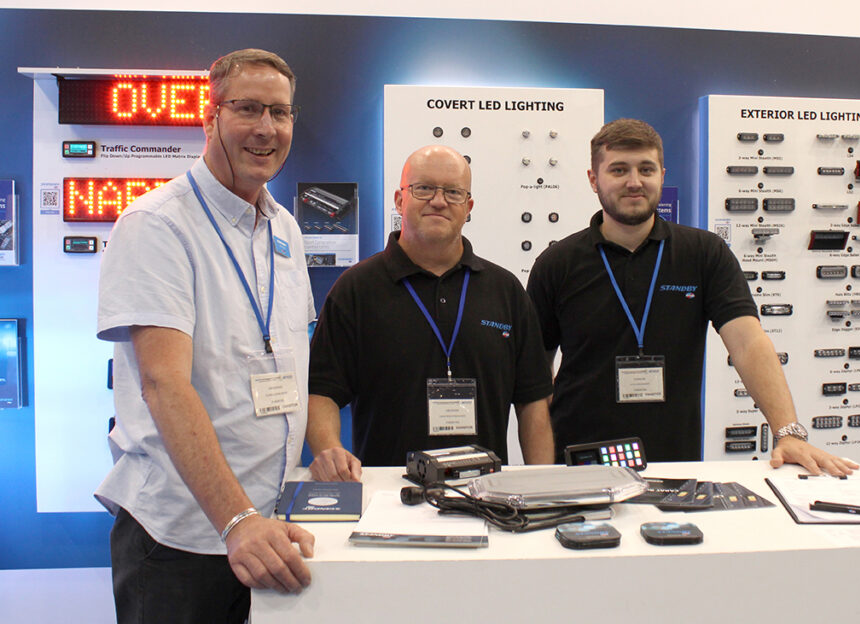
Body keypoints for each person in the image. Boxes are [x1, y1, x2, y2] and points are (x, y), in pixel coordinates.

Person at [95, 49, 316, 623]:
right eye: (247, 109)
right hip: (187, 537)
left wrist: (259, 517)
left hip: (265, 529)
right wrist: (236, 520)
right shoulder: (157, 225)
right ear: (209, 115)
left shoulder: (285, 228)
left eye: (281, 112)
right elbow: (164, 383)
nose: (266, 128)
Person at [527, 118, 858, 476]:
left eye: (646, 169)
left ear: (662, 175)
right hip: (580, 462)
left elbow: (748, 343)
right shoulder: (557, 263)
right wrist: (542, 475)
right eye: (618, 169)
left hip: (674, 461)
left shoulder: (704, 254)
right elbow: (535, 381)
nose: (634, 182)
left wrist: (788, 432)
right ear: (594, 179)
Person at [306, 144, 555, 477]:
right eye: (424, 188)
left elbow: (533, 401)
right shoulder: (355, 290)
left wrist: (544, 484)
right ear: (400, 199)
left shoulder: (505, 290)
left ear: (468, 207)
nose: (439, 201)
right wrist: (329, 452)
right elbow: (322, 390)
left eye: (453, 192)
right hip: (388, 493)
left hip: (487, 495)